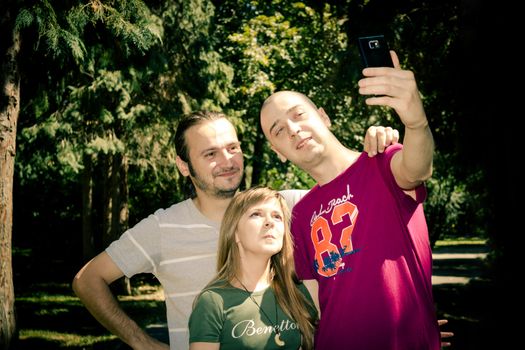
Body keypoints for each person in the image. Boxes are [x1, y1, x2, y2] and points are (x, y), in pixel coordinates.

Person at [72, 110, 398, 350]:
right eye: (210, 154)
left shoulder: (288, 209)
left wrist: (403, 329)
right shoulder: (161, 228)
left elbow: (368, 244)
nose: (227, 161)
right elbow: (88, 280)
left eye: (232, 147)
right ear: (184, 165)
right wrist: (143, 344)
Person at [259, 51, 444, 349]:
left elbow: (417, 169)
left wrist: (416, 123)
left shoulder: (382, 161)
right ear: (278, 151)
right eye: (278, 130)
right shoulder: (301, 215)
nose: (292, 129)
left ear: (323, 116)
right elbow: (316, 303)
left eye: (298, 115)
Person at [188, 186, 318, 349]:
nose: (270, 222)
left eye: (277, 216)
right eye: (256, 214)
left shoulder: (297, 292)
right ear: (234, 232)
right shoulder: (213, 301)